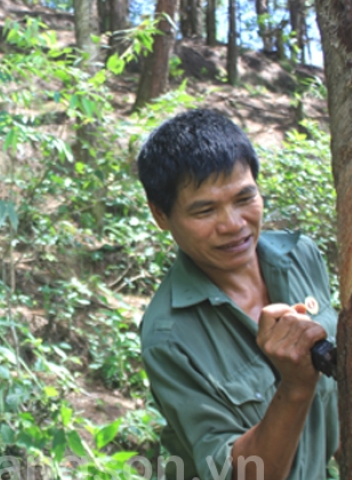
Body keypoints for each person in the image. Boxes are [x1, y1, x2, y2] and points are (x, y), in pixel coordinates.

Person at [136, 109, 339, 480]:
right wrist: (295, 387)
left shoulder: (301, 256)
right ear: (161, 215)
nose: (233, 225)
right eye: (205, 210)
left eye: (245, 198)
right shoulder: (169, 338)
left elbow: (339, 406)